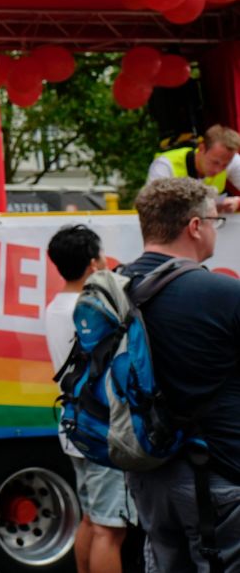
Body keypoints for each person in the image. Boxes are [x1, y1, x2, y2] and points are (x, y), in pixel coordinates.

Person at [122, 177, 240, 571]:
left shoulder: (115, 289)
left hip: (147, 475)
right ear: (194, 226)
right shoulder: (221, 293)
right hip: (219, 474)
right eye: (212, 220)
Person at [43, 224, 136, 573]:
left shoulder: (55, 306)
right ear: (92, 263)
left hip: (73, 427)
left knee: (90, 519)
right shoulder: (89, 310)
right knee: (109, 530)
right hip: (101, 428)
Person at [147, 124, 240, 213]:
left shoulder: (230, 159)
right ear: (202, 148)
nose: (218, 170)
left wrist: (238, 202)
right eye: (215, 162)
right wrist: (206, 206)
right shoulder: (164, 165)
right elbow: (154, 207)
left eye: (225, 165)